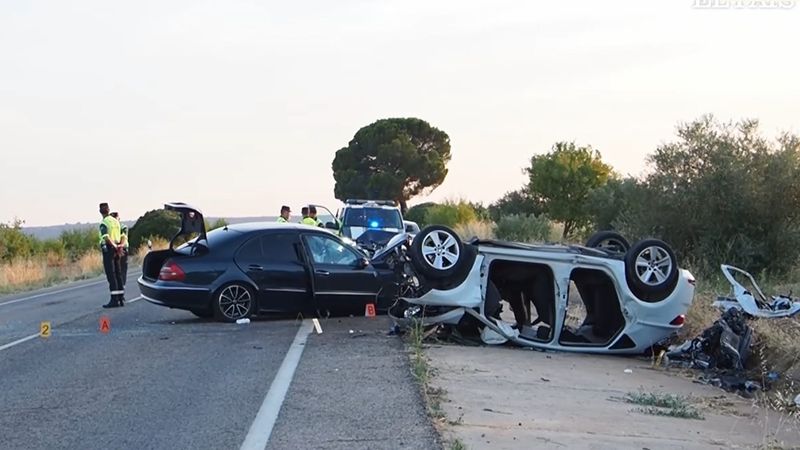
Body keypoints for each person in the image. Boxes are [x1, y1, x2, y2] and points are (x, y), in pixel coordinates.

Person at [98, 203, 124, 308]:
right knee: (118, 273)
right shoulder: (116, 221)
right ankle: (121, 297)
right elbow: (123, 235)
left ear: (100, 211)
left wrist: (114, 246)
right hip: (118, 248)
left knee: (111, 274)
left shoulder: (104, 223)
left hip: (109, 249)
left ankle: (114, 299)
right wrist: (120, 246)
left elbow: (106, 237)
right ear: (109, 210)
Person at [111, 212, 129, 287]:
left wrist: (120, 247)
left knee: (122, 269)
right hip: (115, 248)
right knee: (116, 270)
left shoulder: (122, 227)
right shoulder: (112, 227)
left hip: (122, 249)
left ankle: (122, 285)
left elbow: (123, 237)